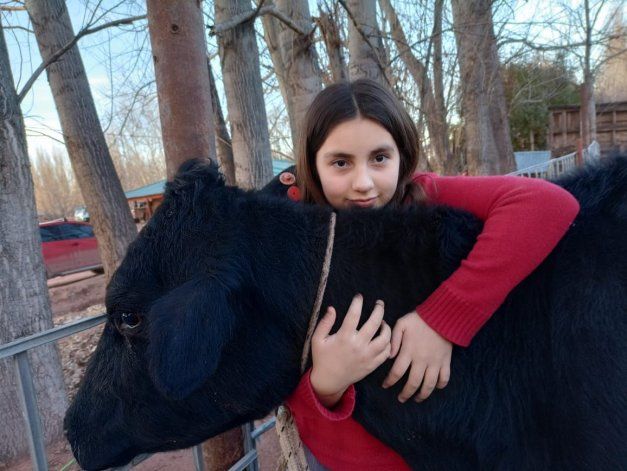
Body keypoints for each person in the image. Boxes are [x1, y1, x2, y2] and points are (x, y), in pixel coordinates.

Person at [283, 79, 581, 470]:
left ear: (402, 156)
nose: (363, 183)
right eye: (341, 162)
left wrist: (441, 319)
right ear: (313, 164)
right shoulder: (290, 237)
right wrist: (327, 382)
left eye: (379, 158)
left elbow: (547, 204)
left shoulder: (420, 196)